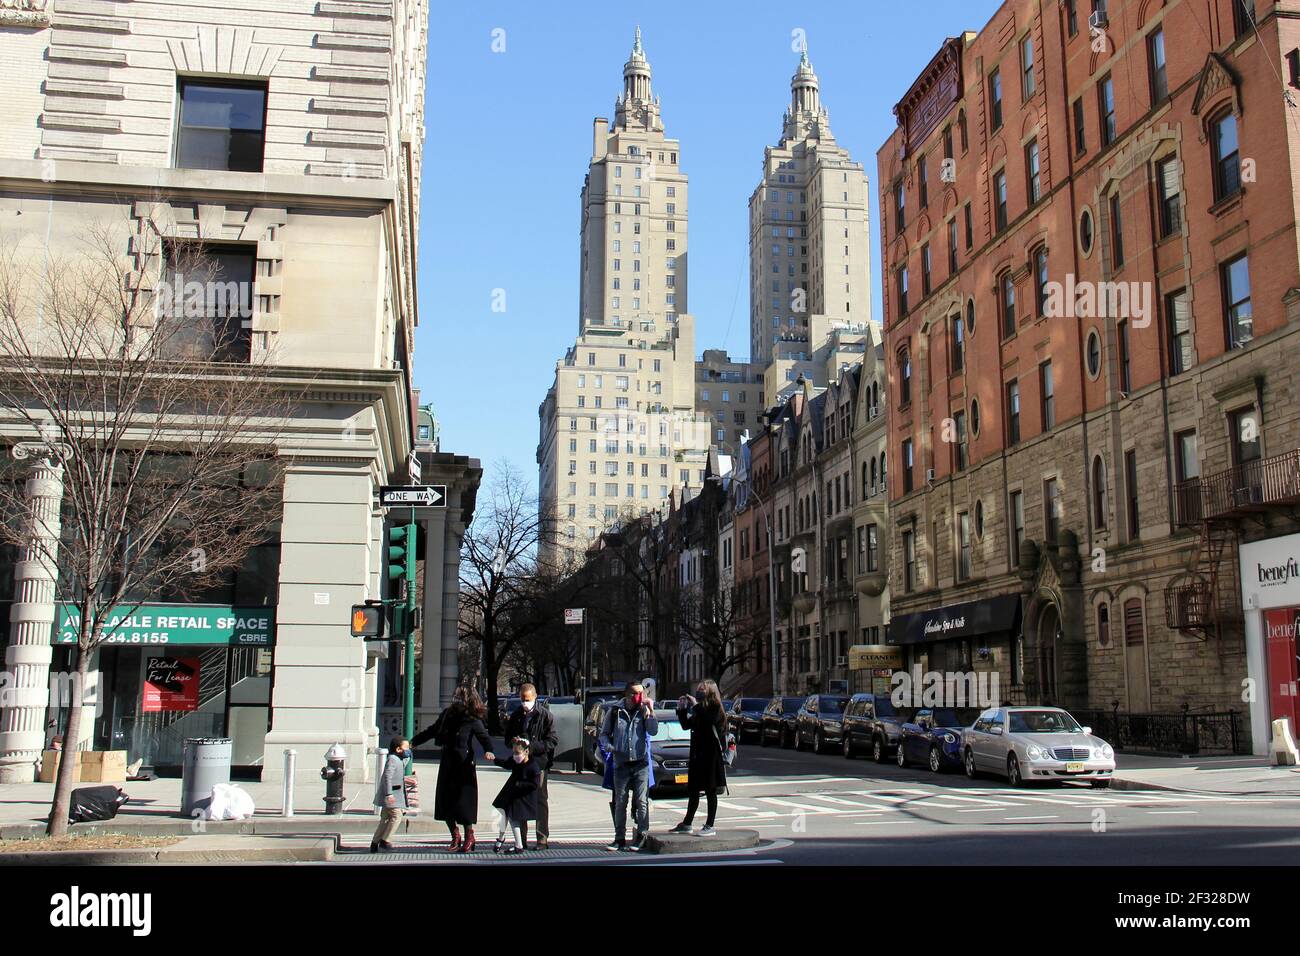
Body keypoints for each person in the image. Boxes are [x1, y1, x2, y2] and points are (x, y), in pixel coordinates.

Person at [412, 685, 495, 852]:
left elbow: (483, 737)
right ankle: (454, 835)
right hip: (448, 759)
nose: (456, 699)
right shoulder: (447, 715)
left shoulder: (472, 719)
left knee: (463, 801)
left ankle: (469, 835)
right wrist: (413, 742)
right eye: (455, 695)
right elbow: (432, 731)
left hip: (464, 763)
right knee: (445, 800)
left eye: (460, 696)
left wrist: (489, 750)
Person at [597, 679, 658, 852]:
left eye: (641, 693)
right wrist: (609, 747)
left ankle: (642, 836)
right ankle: (619, 838)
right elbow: (604, 734)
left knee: (641, 801)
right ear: (627, 694)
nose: (639, 696)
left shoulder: (643, 709)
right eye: (635, 693)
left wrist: (651, 711)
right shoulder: (615, 711)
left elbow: (653, 730)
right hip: (621, 763)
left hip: (641, 763)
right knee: (620, 802)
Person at [503, 682, 558, 849]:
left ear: (535, 697)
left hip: (538, 763)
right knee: (520, 799)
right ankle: (522, 839)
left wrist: (531, 747)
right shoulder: (517, 715)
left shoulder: (545, 715)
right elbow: (507, 738)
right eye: (522, 699)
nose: (524, 703)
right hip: (520, 764)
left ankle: (542, 839)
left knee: (540, 799)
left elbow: (552, 740)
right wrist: (514, 742)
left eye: (527, 699)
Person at [672, 679, 727, 836]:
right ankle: (687, 823)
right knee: (693, 790)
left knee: (710, 790)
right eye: (698, 688)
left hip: (711, 755)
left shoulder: (715, 707)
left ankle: (710, 825)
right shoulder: (699, 709)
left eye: (702, 689)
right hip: (697, 755)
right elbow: (686, 725)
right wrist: (681, 709)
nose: (699, 691)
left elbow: (710, 721)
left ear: (710, 691)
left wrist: (696, 704)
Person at [491, 739, 540, 856]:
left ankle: (518, 845)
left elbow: (534, 784)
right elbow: (506, 764)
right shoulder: (515, 761)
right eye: (514, 753)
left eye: (517, 753)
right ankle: (501, 839)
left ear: (526, 751)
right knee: (504, 814)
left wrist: (520, 784)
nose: (515, 756)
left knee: (513, 818)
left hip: (521, 796)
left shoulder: (533, 766)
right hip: (511, 792)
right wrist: (494, 759)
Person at [371, 736, 410, 853]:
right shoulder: (392, 759)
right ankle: (385, 840)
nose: (408, 750)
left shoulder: (398, 759)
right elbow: (387, 776)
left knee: (385, 820)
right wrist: (389, 794)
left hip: (394, 796)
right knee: (397, 816)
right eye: (406, 748)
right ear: (398, 749)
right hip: (392, 796)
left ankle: (374, 843)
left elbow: (404, 762)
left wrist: (409, 753)